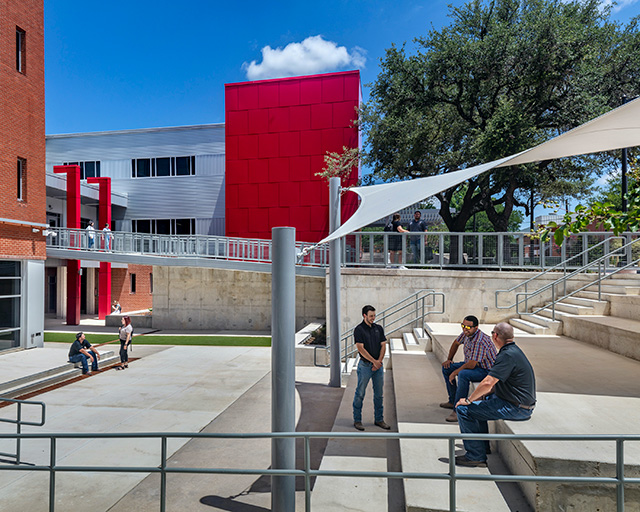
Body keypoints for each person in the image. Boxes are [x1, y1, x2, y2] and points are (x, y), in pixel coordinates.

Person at [453, 322, 536, 467]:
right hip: (518, 403)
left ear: (495, 336)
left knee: (464, 410)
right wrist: (479, 397)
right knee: (478, 405)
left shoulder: (507, 355)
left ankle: (475, 456)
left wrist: (468, 399)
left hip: (517, 408)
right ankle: (482, 447)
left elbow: (488, 382)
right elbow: (496, 383)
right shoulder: (513, 351)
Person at [440, 315, 497, 422]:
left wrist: (455, 373)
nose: (464, 329)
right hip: (474, 365)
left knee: (463, 374)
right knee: (447, 368)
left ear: (476, 328)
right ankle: (452, 400)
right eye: (463, 325)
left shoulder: (479, 341)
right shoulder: (467, 333)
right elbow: (456, 343)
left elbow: (471, 365)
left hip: (486, 370)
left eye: (468, 327)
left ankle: (458, 410)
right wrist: (449, 359)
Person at [352, 305, 391, 431]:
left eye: (374, 315)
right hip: (365, 366)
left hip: (378, 367)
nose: (373, 318)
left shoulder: (378, 328)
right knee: (360, 393)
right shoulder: (359, 330)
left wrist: (378, 362)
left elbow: (383, 345)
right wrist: (374, 362)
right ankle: (357, 420)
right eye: (371, 316)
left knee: (379, 394)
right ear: (364, 316)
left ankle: (379, 419)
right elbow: (360, 349)